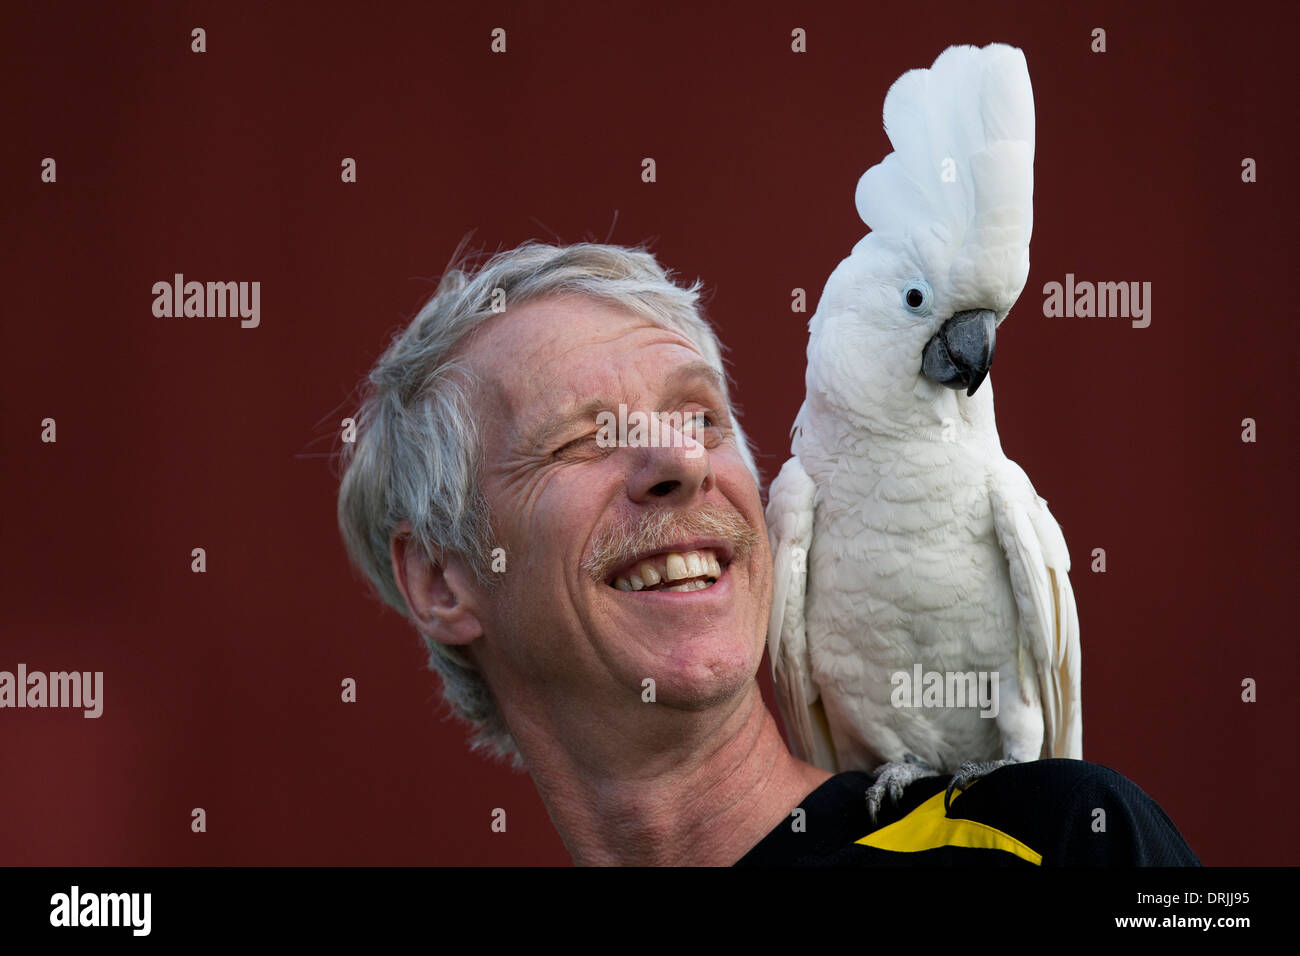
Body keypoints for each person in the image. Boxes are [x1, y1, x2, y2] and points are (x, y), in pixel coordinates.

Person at [335, 241, 1199, 866]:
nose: (679, 462)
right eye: (586, 440)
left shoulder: (1074, 839)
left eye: (704, 420)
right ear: (444, 580)